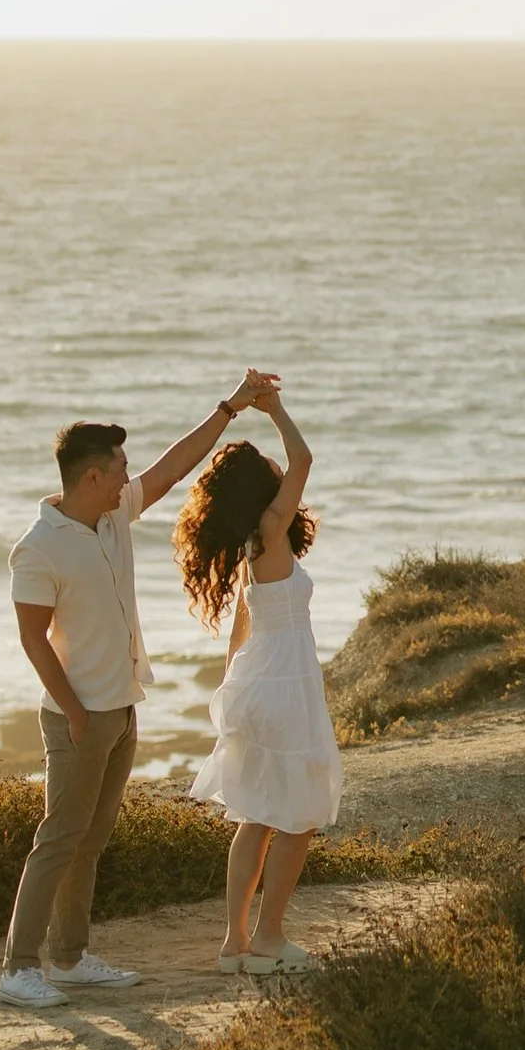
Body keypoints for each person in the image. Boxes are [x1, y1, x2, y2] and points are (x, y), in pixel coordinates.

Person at [0, 371, 281, 1009]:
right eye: (119, 467)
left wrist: (231, 408)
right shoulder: (37, 549)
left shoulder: (113, 514)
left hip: (121, 709)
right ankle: (19, 969)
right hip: (77, 719)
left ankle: (68, 958)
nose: (130, 475)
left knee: (90, 841)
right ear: (91, 476)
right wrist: (72, 713)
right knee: (57, 839)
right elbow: (33, 640)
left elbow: (177, 464)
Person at [173, 383, 342, 973]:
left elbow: (239, 633)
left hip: (262, 678)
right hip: (286, 680)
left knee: (261, 816)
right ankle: (269, 936)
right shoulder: (271, 530)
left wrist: (231, 695)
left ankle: (234, 943)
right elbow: (304, 459)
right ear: (259, 487)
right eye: (265, 467)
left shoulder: (253, 546)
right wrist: (274, 411)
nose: (278, 468)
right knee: (302, 812)